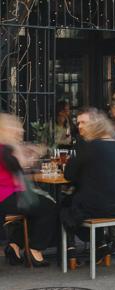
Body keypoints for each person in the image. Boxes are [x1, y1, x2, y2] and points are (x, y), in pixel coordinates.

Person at [61, 108, 115, 259]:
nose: (80, 126)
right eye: (78, 123)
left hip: (101, 208)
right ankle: (100, 244)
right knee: (87, 197)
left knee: (65, 204)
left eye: (84, 122)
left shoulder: (86, 144)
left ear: (96, 124)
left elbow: (69, 175)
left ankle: (70, 249)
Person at [0, 113, 58, 267]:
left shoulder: (6, 148)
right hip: (6, 197)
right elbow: (17, 167)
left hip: (8, 196)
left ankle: (14, 246)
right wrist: (28, 155)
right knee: (49, 207)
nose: (19, 131)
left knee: (37, 207)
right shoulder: (4, 148)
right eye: (14, 128)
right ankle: (35, 250)